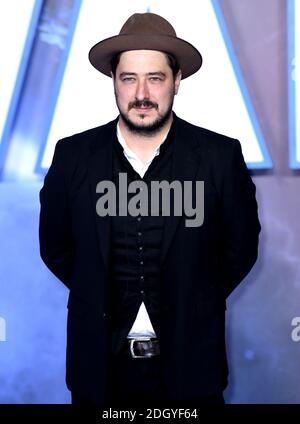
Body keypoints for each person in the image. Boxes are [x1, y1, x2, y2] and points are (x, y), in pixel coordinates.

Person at [39, 12, 261, 407]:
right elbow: (56, 247)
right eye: (129, 78)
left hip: (192, 370)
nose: (142, 92)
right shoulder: (72, 157)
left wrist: (196, 297)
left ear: (177, 81)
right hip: (99, 372)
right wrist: (98, 293)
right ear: (114, 82)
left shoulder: (219, 157)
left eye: (155, 78)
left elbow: (240, 249)